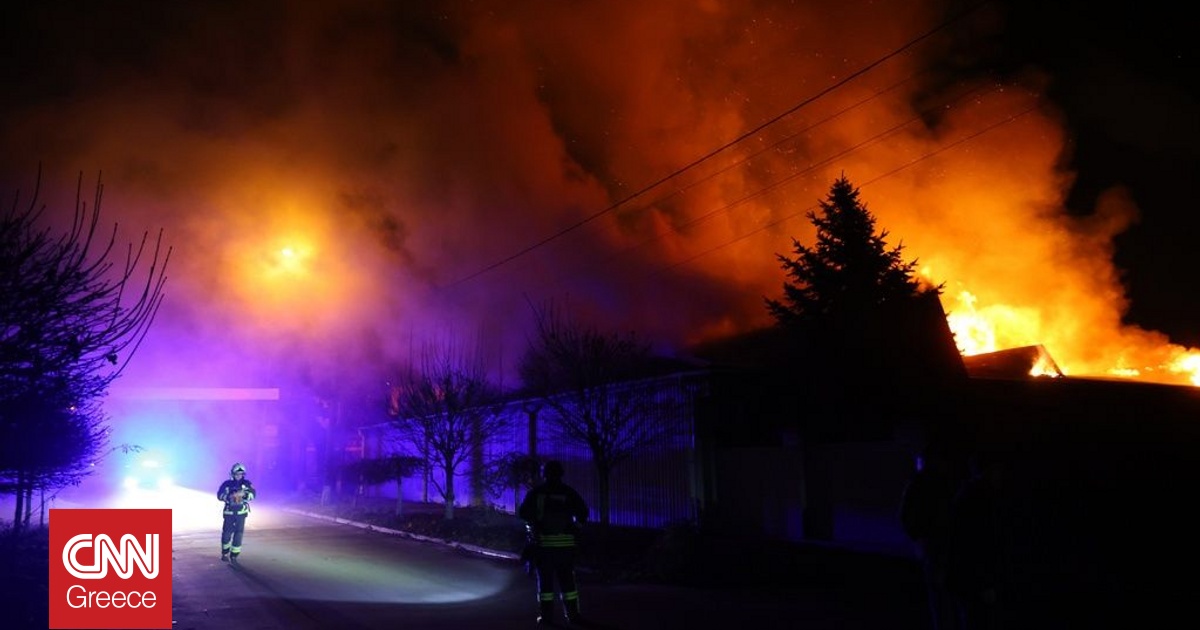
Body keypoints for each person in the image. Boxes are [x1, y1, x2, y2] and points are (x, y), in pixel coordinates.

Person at [518, 460, 589, 625]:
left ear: (544, 474)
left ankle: (546, 618)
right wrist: (575, 529)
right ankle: (573, 616)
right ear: (561, 474)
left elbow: (523, 513)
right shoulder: (569, 492)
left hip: (544, 546)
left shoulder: (536, 493)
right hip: (566, 547)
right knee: (568, 583)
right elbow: (583, 513)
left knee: (545, 585)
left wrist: (534, 526)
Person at [899, 449, 959, 630]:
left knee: (940, 597)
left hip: (934, 545)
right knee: (947, 597)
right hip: (943, 544)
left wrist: (917, 538)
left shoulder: (918, 484)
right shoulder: (946, 483)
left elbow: (904, 515)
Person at [947, 451, 1004, 630]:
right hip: (976, 581)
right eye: (996, 470)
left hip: (968, 579)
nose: (1000, 475)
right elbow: (978, 544)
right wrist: (985, 583)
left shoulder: (965, 497)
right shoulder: (979, 499)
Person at [217, 462, 256, 564]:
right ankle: (225, 553)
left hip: (241, 513)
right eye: (237, 474)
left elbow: (253, 494)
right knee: (227, 533)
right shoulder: (226, 484)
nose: (239, 476)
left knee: (238, 534)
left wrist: (244, 495)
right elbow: (219, 495)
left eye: (241, 474)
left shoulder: (247, 484)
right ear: (232, 474)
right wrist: (229, 496)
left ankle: (234, 555)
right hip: (229, 513)